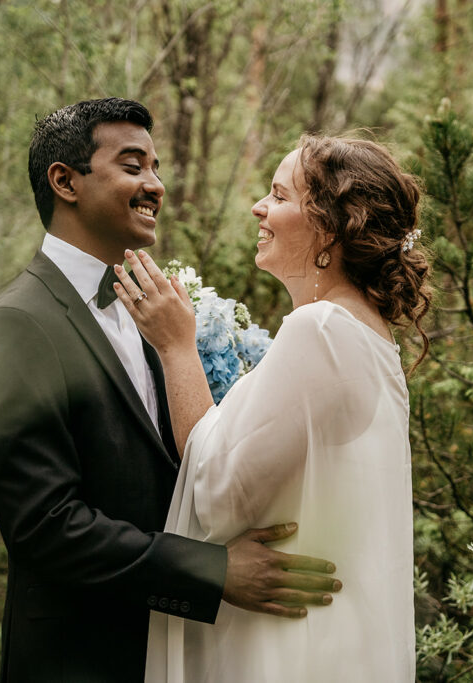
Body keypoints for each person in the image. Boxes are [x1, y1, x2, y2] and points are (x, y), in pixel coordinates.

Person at [0, 98, 341, 683]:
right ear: (65, 181)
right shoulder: (17, 323)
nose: (156, 185)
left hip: (179, 652)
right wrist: (213, 571)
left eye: (157, 167)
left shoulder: (157, 309)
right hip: (81, 660)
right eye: (134, 165)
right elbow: (45, 525)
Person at [113, 134, 431, 682]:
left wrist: (177, 346)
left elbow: (215, 491)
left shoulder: (322, 329)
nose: (259, 207)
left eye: (279, 195)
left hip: (281, 648)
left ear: (329, 228)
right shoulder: (369, 337)